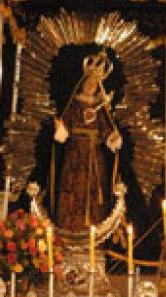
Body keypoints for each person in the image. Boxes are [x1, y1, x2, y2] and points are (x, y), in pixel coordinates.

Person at [52, 48, 122, 231]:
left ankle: (91, 229)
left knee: (94, 193)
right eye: (89, 81)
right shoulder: (74, 104)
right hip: (75, 154)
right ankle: (70, 228)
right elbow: (65, 127)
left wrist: (112, 138)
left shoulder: (101, 108)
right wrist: (61, 128)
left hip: (93, 155)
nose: (91, 85)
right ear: (83, 82)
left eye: (94, 83)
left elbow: (107, 129)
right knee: (72, 189)